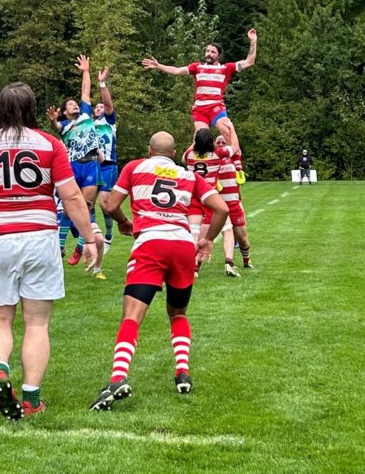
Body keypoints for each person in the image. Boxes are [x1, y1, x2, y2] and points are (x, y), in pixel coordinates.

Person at [0, 82, 97, 420]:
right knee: (36, 323)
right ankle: (32, 399)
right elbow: (72, 196)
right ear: (33, 109)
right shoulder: (50, 144)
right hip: (40, 238)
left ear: (0, 110)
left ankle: (0, 369)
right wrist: (89, 237)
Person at [90, 131, 228, 410]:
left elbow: (110, 204)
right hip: (181, 247)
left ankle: (118, 378)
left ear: (149, 151)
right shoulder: (188, 175)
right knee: (178, 312)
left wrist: (124, 222)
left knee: (132, 315)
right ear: (175, 154)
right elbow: (222, 209)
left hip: (151, 244)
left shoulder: (135, 167)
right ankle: (182, 372)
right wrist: (207, 240)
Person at [141, 28, 258, 150]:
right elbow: (176, 70)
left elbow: (249, 62)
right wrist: (159, 66)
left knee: (227, 132)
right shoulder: (197, 67)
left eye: (213, 52)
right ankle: (196, 163)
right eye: (207, 51)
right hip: (200, 108)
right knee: (200, 138)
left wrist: (253, 41)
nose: (209, 54)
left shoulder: (226, 68)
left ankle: (235, 160)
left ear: (219, 55)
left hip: (216, 107)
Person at [46, 54, 106, 279]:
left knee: (87, 206)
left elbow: (85, 92)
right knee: (69, 205)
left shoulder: (86, 116)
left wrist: (86, 72)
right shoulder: (63, 126)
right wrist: (53, 120)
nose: (74, 105)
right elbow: (54, 126)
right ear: (64, 111)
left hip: (90, 164)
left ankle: (80, 247)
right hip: (72, 166)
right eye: (69, 104)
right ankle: (60, 245)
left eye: (75, 104)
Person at [182, 128, 238, 277]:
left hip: (193, 196)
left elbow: (183, 157)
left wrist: (195, 140)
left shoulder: (189, 155)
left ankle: (192, 266)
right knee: (227, 229)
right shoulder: (217, 154)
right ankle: (229, 262)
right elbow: (235, 148)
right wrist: (231, 128)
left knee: (194, 233)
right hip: (209, 196)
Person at [209, 134, 254, 273]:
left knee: (242, 237)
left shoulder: (234, 157)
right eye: (218, 142)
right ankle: (197, 266)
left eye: (224, 141)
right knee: (208, 234)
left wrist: (226, 125)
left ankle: (247, 260)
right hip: (217, 205)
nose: (221, 143)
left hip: (234, 203)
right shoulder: (212, 159)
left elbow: (235, 145)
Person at [94, 66, 119, 256]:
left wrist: (102, 83)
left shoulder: (108, 121)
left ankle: (109, 234)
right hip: (91, 166)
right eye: (97, 107)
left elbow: (108, 105)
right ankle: (91, 238)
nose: (100, 108)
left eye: (102, 107)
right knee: (86, 203)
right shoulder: (88, 125)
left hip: (108, 165)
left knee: (104, 203)